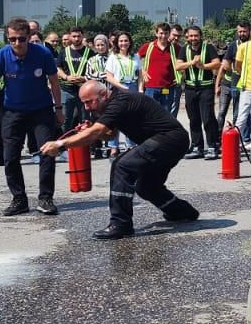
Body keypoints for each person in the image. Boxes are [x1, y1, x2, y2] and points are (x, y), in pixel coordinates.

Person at [43, 81, 196, 238]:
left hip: (168, 139)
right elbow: (110, 134)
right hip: (171, 141)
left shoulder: (120, 101)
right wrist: (89, 130)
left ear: (103, 95)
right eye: (84, 103)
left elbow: (97, 132)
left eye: (89, 102)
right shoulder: (110, 103)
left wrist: (60, 144)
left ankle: (120, 224)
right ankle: (182, 212)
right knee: (147, 187)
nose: (87, 108)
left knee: (121, 165)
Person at [0, 18, 64, 215]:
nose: (17, 44)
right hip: (13, 111)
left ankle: (45, 198)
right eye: (12, 39)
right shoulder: (0, 57)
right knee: (10, 157)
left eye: (21, 39)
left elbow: (54, 83)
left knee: (47, 153)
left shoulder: (43, 54)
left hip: (41, 110)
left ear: (29, 37)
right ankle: (19, 199)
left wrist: (59, 109)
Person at [176, 25, 220, 158]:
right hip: (190, 88)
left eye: (196, 35)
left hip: (206, 87)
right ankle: (197, 146)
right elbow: (178, 66)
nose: (193, 38)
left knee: (208, 118)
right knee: (193, 119)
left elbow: (217, 63)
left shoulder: (209, 48)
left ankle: (212, 146)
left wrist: (203, 66)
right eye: (191, 36)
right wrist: (191, 63)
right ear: (187, 37)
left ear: (200, 36)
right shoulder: (184, 49)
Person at [215, 22, 250, 138]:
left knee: (237, 114)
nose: (242, 33)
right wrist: (217, 85)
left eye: (244, 31)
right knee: (221, 112)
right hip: (227, 84)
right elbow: (223, 66)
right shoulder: (233, 46)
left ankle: (236, 138)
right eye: (240, 31)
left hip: (242, 85)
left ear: (248, 31)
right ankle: (218, 138)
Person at [57, 29, 92, 128]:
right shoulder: (64, 52)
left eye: (79, 36)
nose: (76, 39)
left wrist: (84, 78)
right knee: (65, 120)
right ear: (70, 37)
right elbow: (58, 68)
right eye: (74, 36)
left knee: (85, 121)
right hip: (67, 90)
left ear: (82, 36)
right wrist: (66, 77)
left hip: (84, 92)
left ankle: (84, 143)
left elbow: (94, 70)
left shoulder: (90, 52)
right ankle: (64, 143)